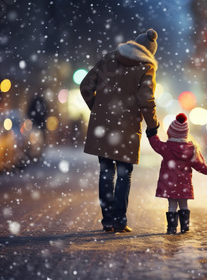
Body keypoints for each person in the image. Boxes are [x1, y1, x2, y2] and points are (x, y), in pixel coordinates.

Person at [80, 29, 160, 233]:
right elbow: (146, 101)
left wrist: (98, 109)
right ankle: (119, 220)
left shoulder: (109, 58)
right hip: (127, 128)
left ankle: (107, 221)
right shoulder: (146, 67)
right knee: (124, 174)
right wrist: (153, 126)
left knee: (106, 173)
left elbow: (85, 86)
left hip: (103, 126)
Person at [147, 113, 207, 234]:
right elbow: (199, 165)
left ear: (170, 132)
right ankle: (185, 226)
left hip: (170, 182)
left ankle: (171, 228)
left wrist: (152, 134)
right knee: (184, 204)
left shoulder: (167, 147)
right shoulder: (191, 150)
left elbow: (155, 144)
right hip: (184, 185)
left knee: (172, 204)